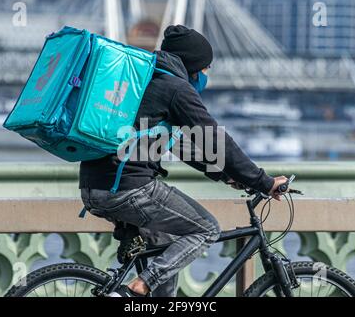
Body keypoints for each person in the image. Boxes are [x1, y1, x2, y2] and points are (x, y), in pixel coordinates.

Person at [80, 25, 288, 298]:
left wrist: (226, 176)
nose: (206, 75)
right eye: (205, 68)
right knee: (206, 229)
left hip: (94, 187)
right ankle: (135, 289)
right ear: (192, 66)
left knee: (167, 247)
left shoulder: (145, 81)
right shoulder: (175, 88)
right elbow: (214, 140)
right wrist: (264, 181)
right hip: (129, 188)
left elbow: (180, 145)